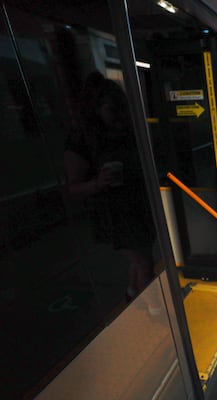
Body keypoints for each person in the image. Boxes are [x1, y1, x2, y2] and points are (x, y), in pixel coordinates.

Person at [64, 71, 156, 302]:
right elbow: (71, 187)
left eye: (121, 108)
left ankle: (132, 296)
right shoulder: (83, 140)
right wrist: (98, 183)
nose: (119, 116)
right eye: (111, 109)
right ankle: (156, 313)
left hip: (136, 205)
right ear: (95, 110)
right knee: (143, 261)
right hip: (115, 212)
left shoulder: (122, 134)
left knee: (142, 258)